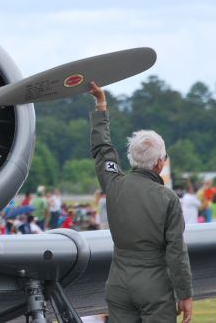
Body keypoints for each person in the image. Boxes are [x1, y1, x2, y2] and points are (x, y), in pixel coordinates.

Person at [89, 81, 192, 323]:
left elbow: (102, 149)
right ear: (159, 163)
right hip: (154, 287)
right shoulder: (168, 198)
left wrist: (101, 106)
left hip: (118, 284)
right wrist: (185, 294)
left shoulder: (114, 185)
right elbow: (176, 252)